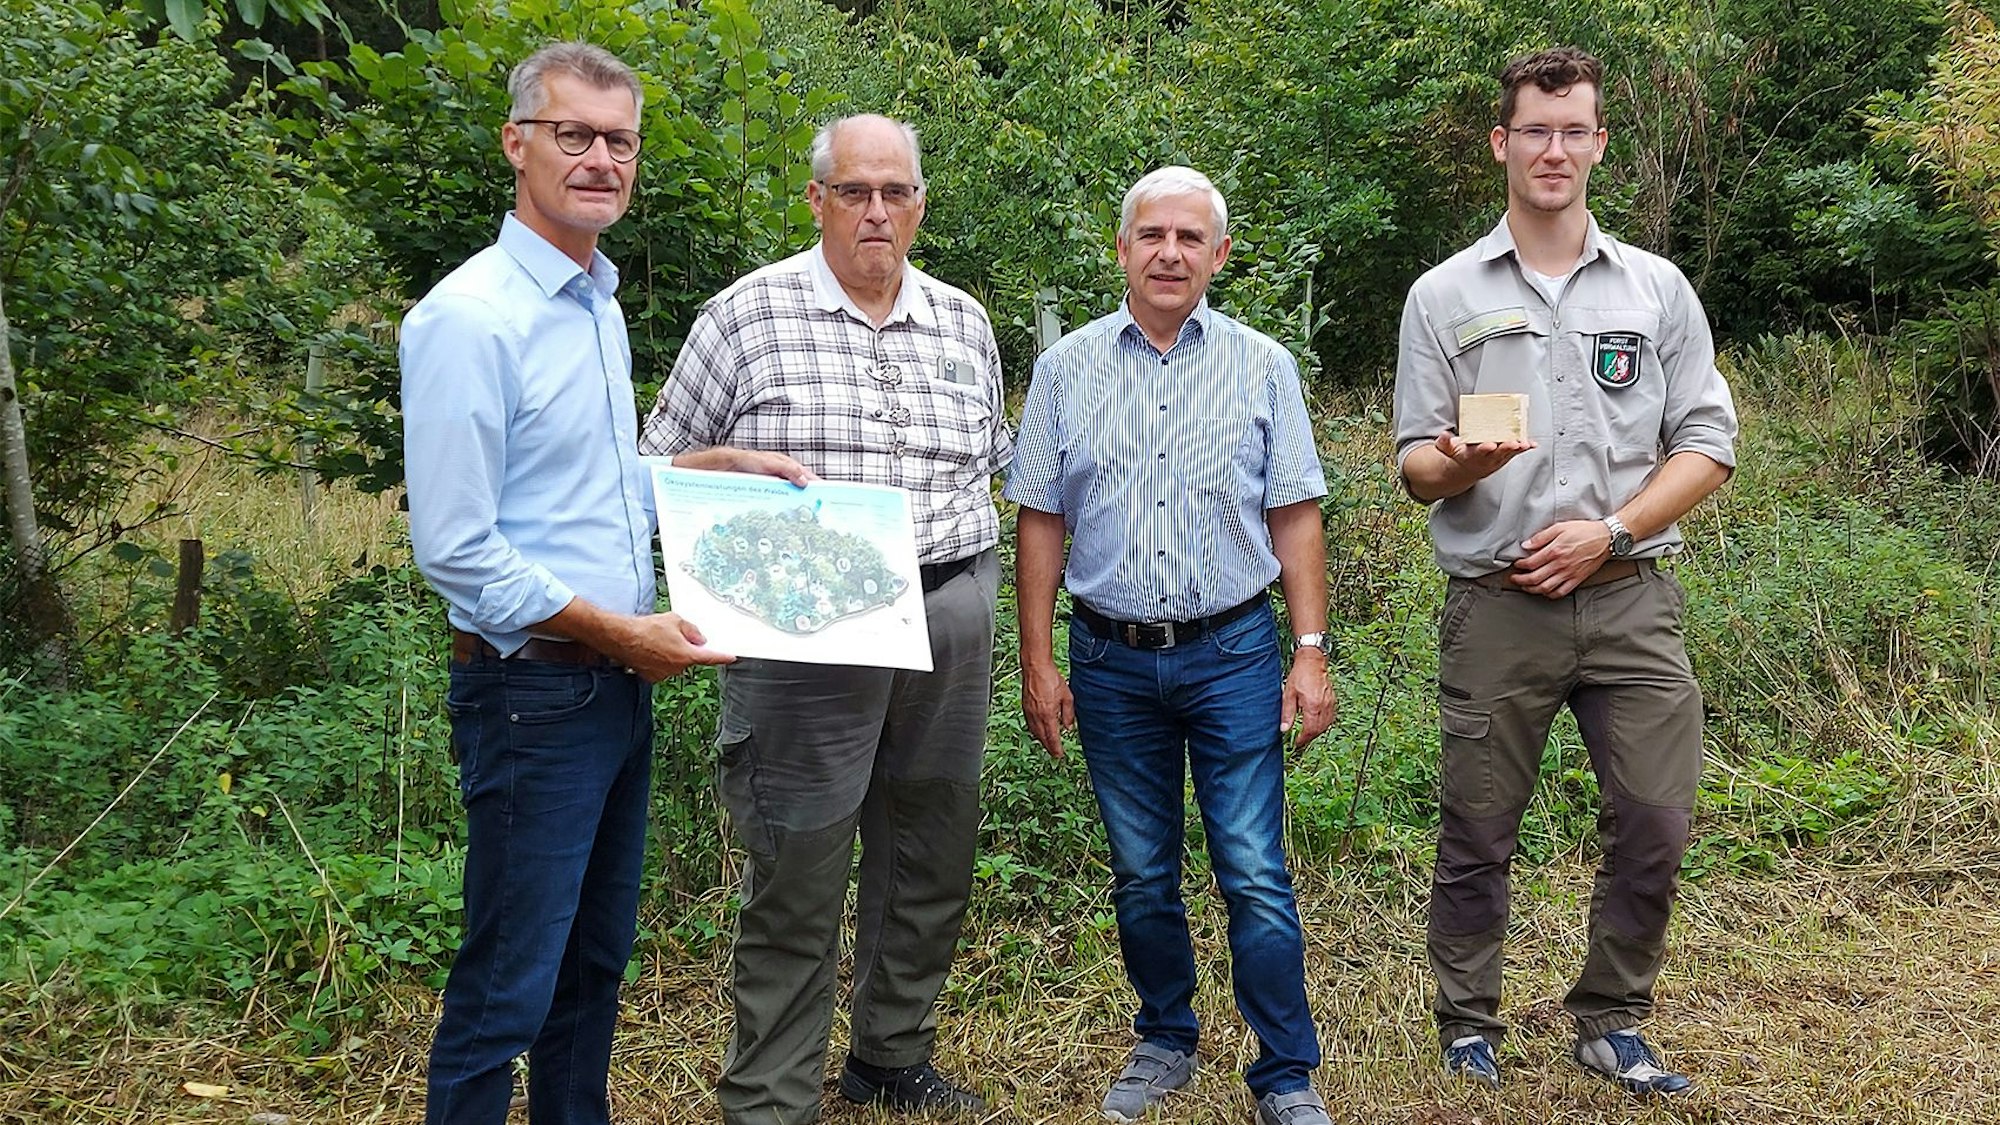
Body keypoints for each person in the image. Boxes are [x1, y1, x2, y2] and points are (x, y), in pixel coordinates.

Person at [402, 42, 805, 1125]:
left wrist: (687, 470)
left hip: (611, 689)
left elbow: (572, 481)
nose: (598, 160)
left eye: (616, 141)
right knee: (508, 984)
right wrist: (618, 634)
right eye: (571, 134)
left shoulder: (591, 299)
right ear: (515, 143)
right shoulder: (469, 318)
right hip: (534, 691)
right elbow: (455, 546)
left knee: (591, 970)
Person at [638, 114, 1011, 1124]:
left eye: (895, 192)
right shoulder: (745, 317)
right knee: (797, 864)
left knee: (929, 846)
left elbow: (989, 464)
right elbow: (649, 465)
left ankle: (890, 1054)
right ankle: (769, 1098)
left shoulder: (963, 321)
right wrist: (704, 471)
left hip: (948, 609)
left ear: (920, 203)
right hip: (804, 636)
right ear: (816, 199)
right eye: (854, 191)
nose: (876, 212)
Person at [1391, 46, 1739, 1097]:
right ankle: (1465, 1021)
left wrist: (1613, 532)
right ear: (1502, 144)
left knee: (1653, 817)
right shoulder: (1441, 293)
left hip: (1628, 597)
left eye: (1572, 129)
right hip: (1497, 604)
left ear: (1595, 144)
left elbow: (1707, 444)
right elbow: (1412, 466)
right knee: (1478, 824)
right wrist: (1456, 460)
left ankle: (1610, 1018)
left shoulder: (1655, 288)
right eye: (1533, 130)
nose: (1553, 149)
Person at [1007, 166, 1337, 1125]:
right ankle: (1166, 1036)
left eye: (1191, 238)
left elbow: (1297, 514)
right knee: (1142, 867)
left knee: (1253, 867)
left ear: (1219, 255)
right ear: (1121, 248)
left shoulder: (1263, 365)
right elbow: (1038, 519)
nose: (1170, 252)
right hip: (1109, 659)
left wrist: (1308, 649)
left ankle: (1284, 1071)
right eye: (1152, 234)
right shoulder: (1064, 368)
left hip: (1233, 651)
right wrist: (1038, 659)